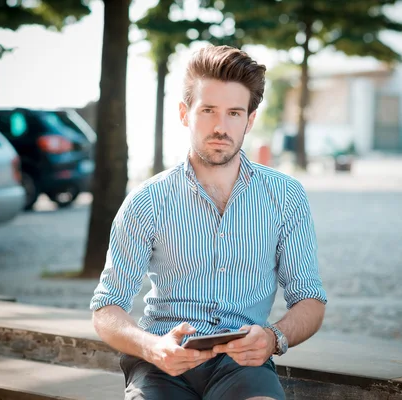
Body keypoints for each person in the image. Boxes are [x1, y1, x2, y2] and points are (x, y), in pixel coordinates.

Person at [90, 45, 327, 400]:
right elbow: (106, 307)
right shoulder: (147, 201)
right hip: (162, 364)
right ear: (185, 114)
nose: (220, 126)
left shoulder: (286, 196)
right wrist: (152, 347)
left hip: (242, 366)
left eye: (234, 113)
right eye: (208, 111)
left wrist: (273, 338)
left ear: (250, 119)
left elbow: (310, 299)